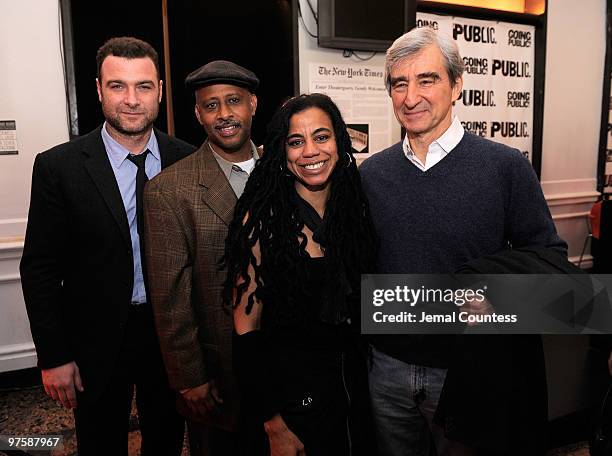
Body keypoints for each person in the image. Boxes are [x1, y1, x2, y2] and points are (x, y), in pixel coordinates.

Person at [359, 27, 568, 456]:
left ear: (457, 85)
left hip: (468, 371)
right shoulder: (371, 176)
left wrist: (492, 294)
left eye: (427, 79)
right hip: (388, 371)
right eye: (400, 83)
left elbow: (551, 264)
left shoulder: (505, 168)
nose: (411, 96)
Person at [19, 37, 194, 455]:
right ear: (99, 89)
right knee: (100, 442)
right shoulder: (58, 168)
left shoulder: (186, 160)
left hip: (169, 336)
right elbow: (39, 268)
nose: (131, 99)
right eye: (118, 86)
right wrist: (53, 356)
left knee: (168, 439)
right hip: (94, 341)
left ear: (160, 91)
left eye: (144, 86)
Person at [223, 93, 378, 456]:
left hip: (352, 393)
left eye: (321, 137)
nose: (310, 151)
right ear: (281, 152)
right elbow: (245, 333)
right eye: (296, 141)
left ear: (339, 142)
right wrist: (273, 424)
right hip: (290, 404)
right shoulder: (262, 222)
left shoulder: (356, 212)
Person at [143, 60, 260, 455]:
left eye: (233, 101)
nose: (224, 114)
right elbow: (170, 297)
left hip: (285, 366)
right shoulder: (169, 191)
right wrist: (188, 378)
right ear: (198, 114)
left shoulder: (287, 171)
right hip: (219, 376)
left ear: (253, 104)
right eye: (211, 106)